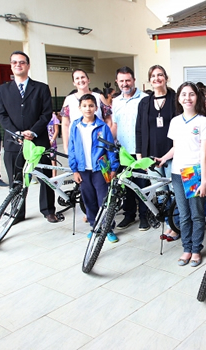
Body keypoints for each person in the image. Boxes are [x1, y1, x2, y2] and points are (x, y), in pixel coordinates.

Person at [0, 51, 59, 223]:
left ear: (28, 65)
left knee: (44, 177)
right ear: (11, 65)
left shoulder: (41, 88)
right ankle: (17, 212)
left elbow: (46, 113)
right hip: (13, 142)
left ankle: (48, 210)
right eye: (15, 62)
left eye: (22, 62)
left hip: (38, 141)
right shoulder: (3, 90)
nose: (18, 65)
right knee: (16, 180)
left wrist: (33, 132)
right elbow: (1, 115)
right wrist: (15, 132)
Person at [157, 82, 206, 267]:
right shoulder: (175, 121)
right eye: (184, 94)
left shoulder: (203, 122)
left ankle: (196, 249)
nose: (187, 98)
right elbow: (176, 148)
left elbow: (203, 154)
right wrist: (163, 158)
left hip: (195, 173)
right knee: (183, 214)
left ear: (197, 97)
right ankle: (186, 248)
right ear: (179, 98)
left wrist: (204, 181)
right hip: (177, 173)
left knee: (197, 214)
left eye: (191, 94)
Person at [68, 94, 119, 242]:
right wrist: (75, 170)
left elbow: (110, 148)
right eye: (84, 106)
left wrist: (113, 168)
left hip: (100, 170)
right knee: (89, 200)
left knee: (104, 200)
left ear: (96, 108)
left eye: (91, 106)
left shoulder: (103, 127)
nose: (88, 109)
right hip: (83, 170)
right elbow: (71, 148)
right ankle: (95, 226)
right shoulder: (75, 126)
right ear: (80, 108)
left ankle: (108, 228)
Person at [135, 65, 178, 238]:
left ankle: (176, 225)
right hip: (151, 155)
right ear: (149, 80)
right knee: (160, 194)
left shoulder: (175, 98)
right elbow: (138, 129)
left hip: (172, 153)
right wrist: (140, 155)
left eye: (160, 75)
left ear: (166, 78)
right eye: (153, 76)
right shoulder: (144, 102)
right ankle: (168, 223)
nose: (157, 78)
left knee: (174, 191)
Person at [110, 66, 150, 231]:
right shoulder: (116, 101)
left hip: (139, 150)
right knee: (125, 184)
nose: (125, 84)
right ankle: (129, 215)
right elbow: (115, 124)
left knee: (142, 185)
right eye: (121, 81)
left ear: (134, 80)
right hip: (122, 151)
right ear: (117, 82)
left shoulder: (145, 99)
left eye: (128, 80)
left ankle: (144, 216)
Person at [60, 69, 112, 152]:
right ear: (73, 83)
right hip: (77, 142)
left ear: (88, 80)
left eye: (83, 77)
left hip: (98, 143)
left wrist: (105, 138)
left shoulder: (99, 97)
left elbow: (108, 120)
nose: (80, 80)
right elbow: (65, 124)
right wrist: (66, 147)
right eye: (77, 78)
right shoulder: (69, 100)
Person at [48, 112, 61, 176]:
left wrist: (52, 140)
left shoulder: (53, 117)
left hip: (52, 143)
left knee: (53, 161)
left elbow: (56, 130)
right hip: (44, 141)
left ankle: (54, 177)